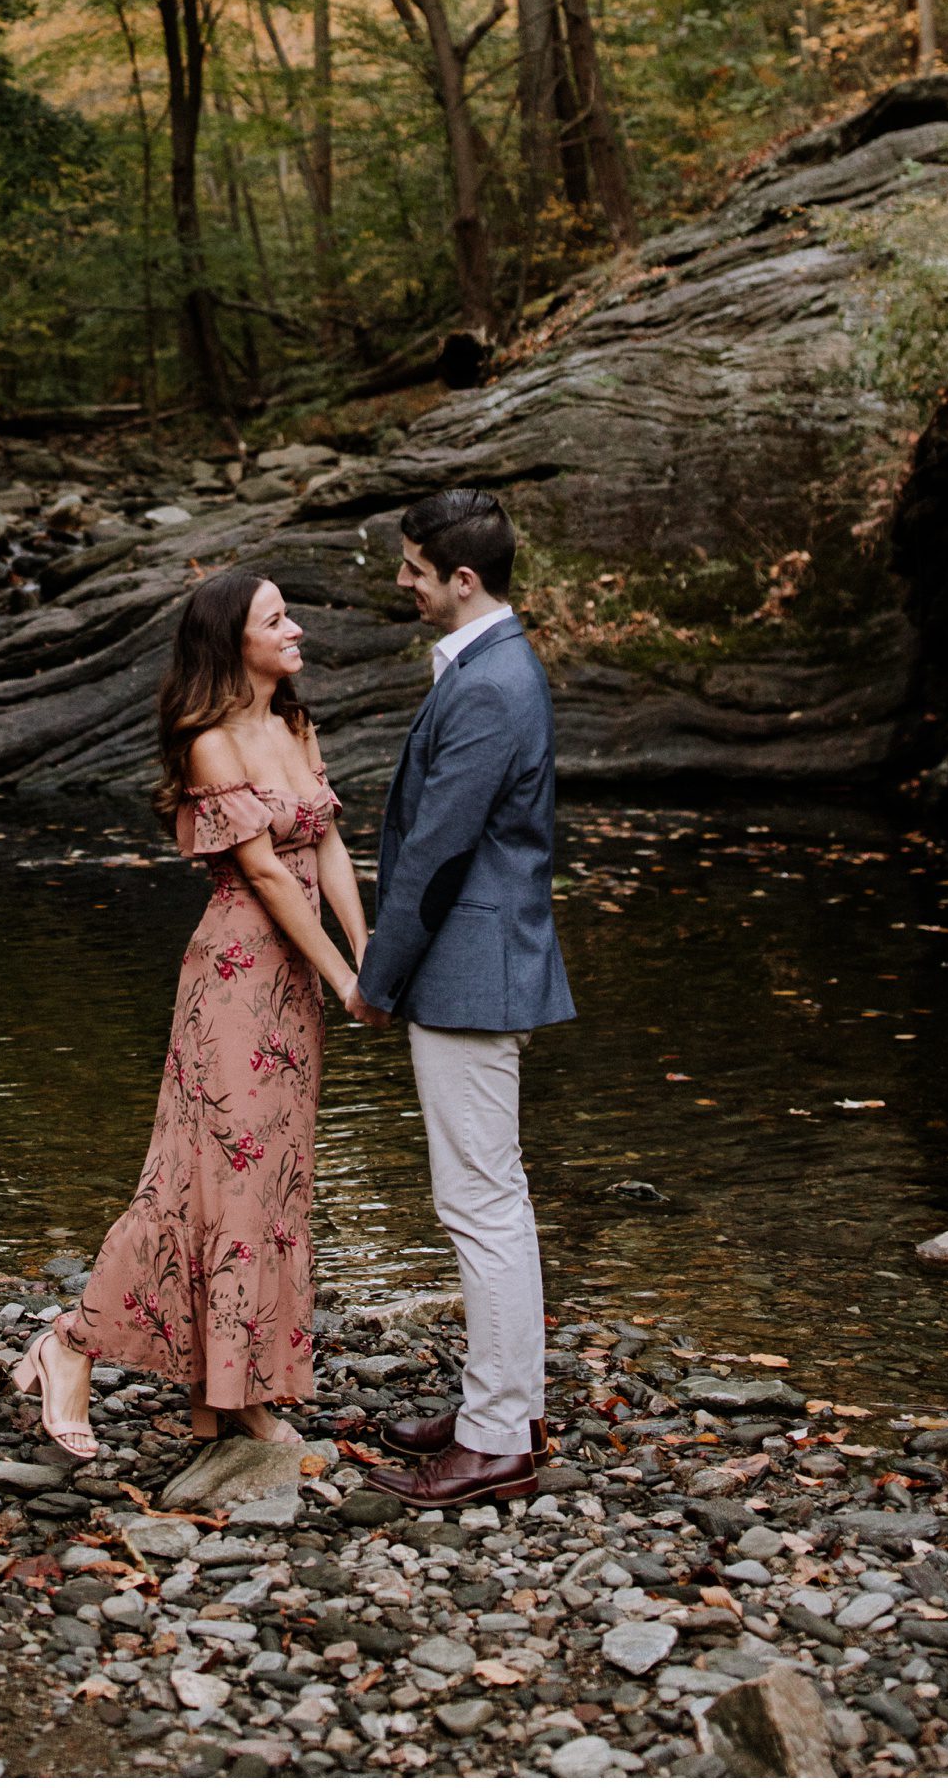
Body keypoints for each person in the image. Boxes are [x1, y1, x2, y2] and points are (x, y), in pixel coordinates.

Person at [10, 567, 369, 1458]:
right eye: (276, 620)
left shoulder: (295, 721)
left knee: (273, 1184)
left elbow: (327, 848)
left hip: (293, 990)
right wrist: (342, 977)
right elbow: (267, 878)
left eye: (290, 615)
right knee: (202, 1183)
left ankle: (229, 1395)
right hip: (238, 981)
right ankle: (70, 1344)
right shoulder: (210, 741)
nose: (297, 632)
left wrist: (373, 957)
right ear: (230, 643)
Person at [346, 485, 573, 1505]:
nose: (400, 581)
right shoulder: (489, 665)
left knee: (479, 1202)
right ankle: (500, 1398)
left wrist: (374, 976)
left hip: (467, 974)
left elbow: (437, 851)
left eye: (410, 566)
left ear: (461, 578)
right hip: (478, 965)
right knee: (489, 1195)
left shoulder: (488, 684)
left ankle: (494, 1439)